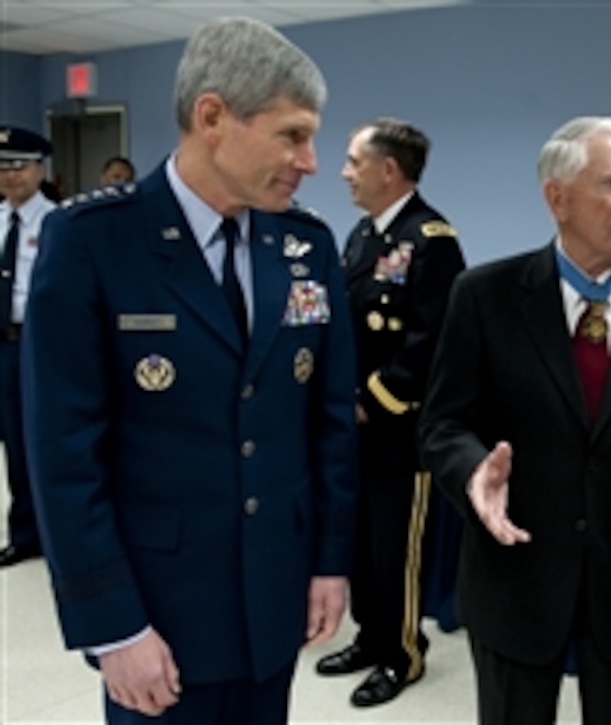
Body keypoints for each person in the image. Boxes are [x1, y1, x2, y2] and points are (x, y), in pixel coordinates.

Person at [21, 17, 358, 724]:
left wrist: (329, 561)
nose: (311, 161)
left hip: (275, 594)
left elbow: (328, 422)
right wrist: (112, 624)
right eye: (292, 135)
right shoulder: (93, 242)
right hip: (157, 611)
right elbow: (64, 454)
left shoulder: (305, 245)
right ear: (212, 116)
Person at [419, 116, 611, 725]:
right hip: (516, 576)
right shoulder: (484, 297)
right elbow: (443, 426)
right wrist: (475, 473)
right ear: (557, 198)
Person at [314, 118, 465, 707]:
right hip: (355, 423)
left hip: (401, 427)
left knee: (397, 547)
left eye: (354, 161)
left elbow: (432, 343)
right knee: (360, 543)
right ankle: (370, 636)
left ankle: (403, 653)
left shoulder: (432, 239)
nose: (345, 172)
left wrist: (372, 402)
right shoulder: (362, 235)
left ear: (388, 169)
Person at [0, 125, 55, 568]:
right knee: (12, 447)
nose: (10, 175)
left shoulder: (59, 223)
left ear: (40, 168)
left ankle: (48, 532)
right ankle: (23, 532)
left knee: (39, 441)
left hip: (37, 344)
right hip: (2, 345)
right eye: (2, 166)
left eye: (19, 165)